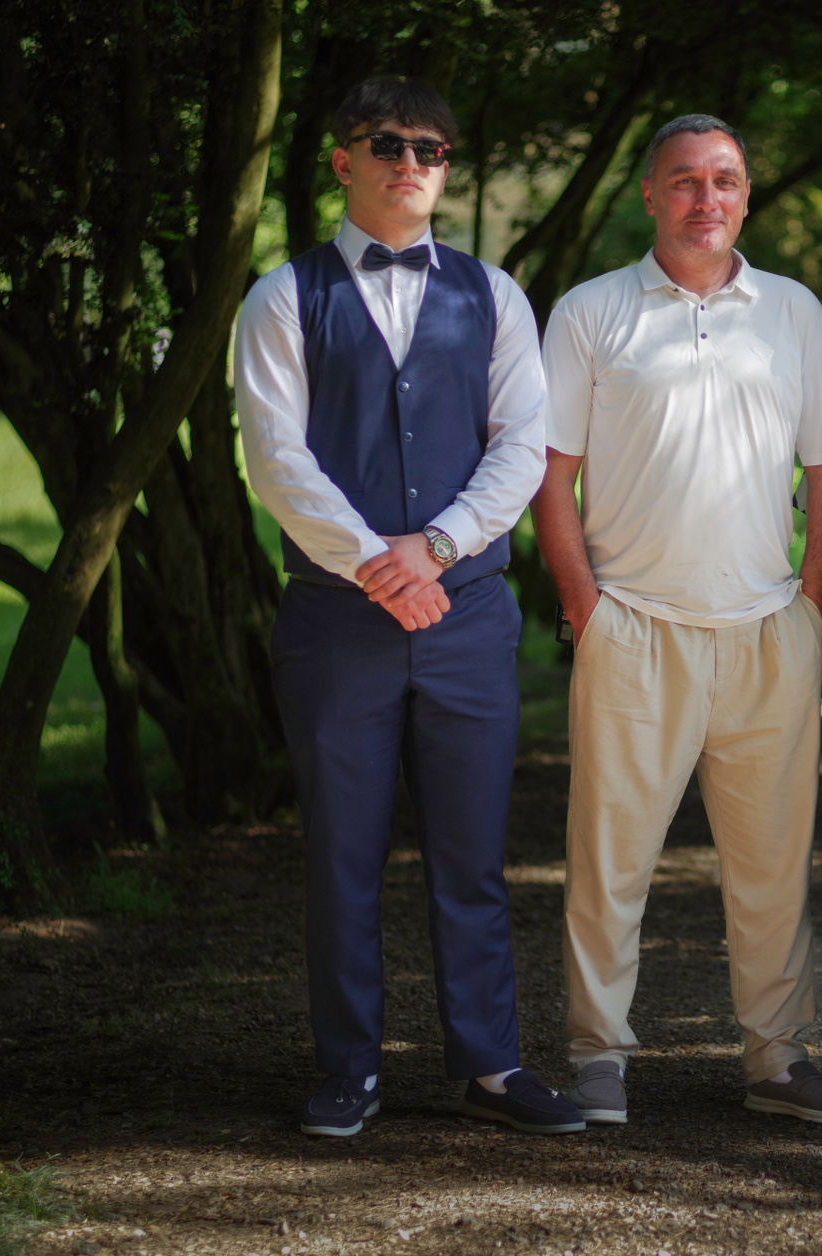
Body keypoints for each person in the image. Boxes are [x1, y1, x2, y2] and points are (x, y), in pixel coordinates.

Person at [237, 76, 582, 1138]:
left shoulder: (495, 295)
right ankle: (350, 1068)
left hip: (466, 614)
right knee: (341, 856)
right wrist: (374, 565)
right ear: (344, 161)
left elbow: (522, 445)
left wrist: (433, 549)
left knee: (473, 856)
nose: (410, 163)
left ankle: (490, 1065)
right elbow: (275, 457)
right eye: (387, 144)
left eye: (429, 149)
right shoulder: (283, 296)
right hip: (335, 622)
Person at [533, 114, 822, 1128]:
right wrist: (586, 609)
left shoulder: (794, 313)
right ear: (650, 194)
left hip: (769, 629)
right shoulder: (592, 312)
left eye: (724, 179)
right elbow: (550, 478)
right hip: (633, 628)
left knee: (773, 868)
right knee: (609, 865)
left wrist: (812, 613)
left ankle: (778, 1059)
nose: (705, 197)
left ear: (747, 196)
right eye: (684, 180)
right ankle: (599, 1058)